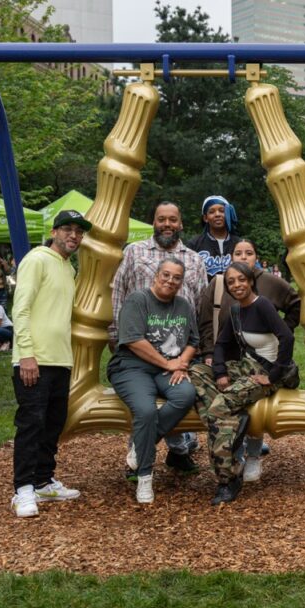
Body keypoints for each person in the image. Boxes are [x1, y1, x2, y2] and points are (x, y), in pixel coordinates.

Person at [111, 200, 208, 473]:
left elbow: (200, 305)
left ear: (181, 224)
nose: (167, 224)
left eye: (173, 220)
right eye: (162, 219)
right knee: (144, 401)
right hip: (139, 347)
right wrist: (116, 335)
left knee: (180, 395)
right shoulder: (134, 252)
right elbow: (119, 292)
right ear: (153, 222)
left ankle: (151, 448)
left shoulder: (194, 259)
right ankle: (158, 456)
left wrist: (192, 352)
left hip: (177, 351)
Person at [190, 261, 295, 504]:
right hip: (245, 367)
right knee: (196, 371)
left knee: (218, 407)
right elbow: (221, 345)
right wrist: (219, 373)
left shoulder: (263, 306)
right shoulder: (237, 310)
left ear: (250, 281)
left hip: (265, 373)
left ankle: (228, 478)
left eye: (241, 279)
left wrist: (273, 375)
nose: (237, 284)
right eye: (231, 281)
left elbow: (287, 337)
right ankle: (234, 421)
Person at [9, 210, 89, 518]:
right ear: (54, 231)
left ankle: (43, 481)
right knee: (31, 424)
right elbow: (22, 308)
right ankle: (23, 490)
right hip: (34, 359)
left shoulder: (68, 267)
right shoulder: (37, 259)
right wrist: (26, 354)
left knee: (53, 424)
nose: (74, 236)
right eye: (67, 229)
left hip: (60, 359)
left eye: (79, 232)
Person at [109, 258, 199, 504]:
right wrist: (169, 363)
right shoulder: (138, 300)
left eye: (177, 277)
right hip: (132, 367)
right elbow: (133, 340)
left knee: (186, 395)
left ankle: (141, 446)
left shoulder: (183, 305)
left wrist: (181, 362)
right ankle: (145, 477)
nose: (171, 280)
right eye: (166, 275)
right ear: (156, 276)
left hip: (168, 369)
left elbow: (193, 340)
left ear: (182, 282)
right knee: (146, 410)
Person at [186, 195, 240, 279]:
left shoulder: (239, 244)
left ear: (228, 214)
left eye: (222, 211)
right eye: (211, 212)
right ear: (205, 218)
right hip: (205, 292)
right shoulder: (194, 244)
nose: (217, 214)